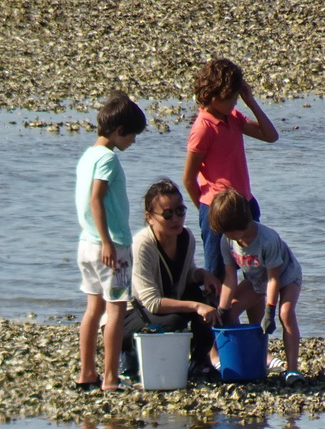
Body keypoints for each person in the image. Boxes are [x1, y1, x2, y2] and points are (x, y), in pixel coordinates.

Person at [75, 91, 146, 391]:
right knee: (116, 309)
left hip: (85, 244)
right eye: (131, 135)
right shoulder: (108, 160)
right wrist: (107, 242)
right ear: (118, 131)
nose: (133, 141)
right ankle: (110, 378)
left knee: (93, 309)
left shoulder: (87, 155)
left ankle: (86, 373)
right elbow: (96, 199)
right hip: (111, 246)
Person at [183, 58, 278, 280]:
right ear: (213, 97)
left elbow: (271, 136)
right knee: (218, 276)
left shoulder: (232, 117)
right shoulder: (203, 128)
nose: (234, 103)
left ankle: (255, 317)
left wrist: (250, 101)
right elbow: (188, 179)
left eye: (236, 97)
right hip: (216, 209)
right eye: (230, 99)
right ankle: (218, 313)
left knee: (255, 273)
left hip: (244, 204)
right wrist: (208, 213)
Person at [121, 178, 222, 381]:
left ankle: (199, 361)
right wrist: (195, 307)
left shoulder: (186, 237)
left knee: (208, 300)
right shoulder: (143, 244)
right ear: (150, 218)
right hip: (132, 313)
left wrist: (203, 275)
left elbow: (187, 274)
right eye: (167, 214)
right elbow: (151, 302)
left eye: (180, 211)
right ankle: (129, 352)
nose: (176, 219)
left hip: (163, 304)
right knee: (178, 318)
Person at [208, 187, 304, 385]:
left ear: (244, 221)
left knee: (285, 313)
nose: (232, 238)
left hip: (286, 277)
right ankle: (247, 356)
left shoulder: (267, 240)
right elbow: (230, 277)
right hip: (256, 279)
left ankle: (292, 369)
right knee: (232, 311)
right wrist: (222, 309)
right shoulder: (227, 240)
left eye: (232, 232)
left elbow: (274, 279)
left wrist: (270, 311)